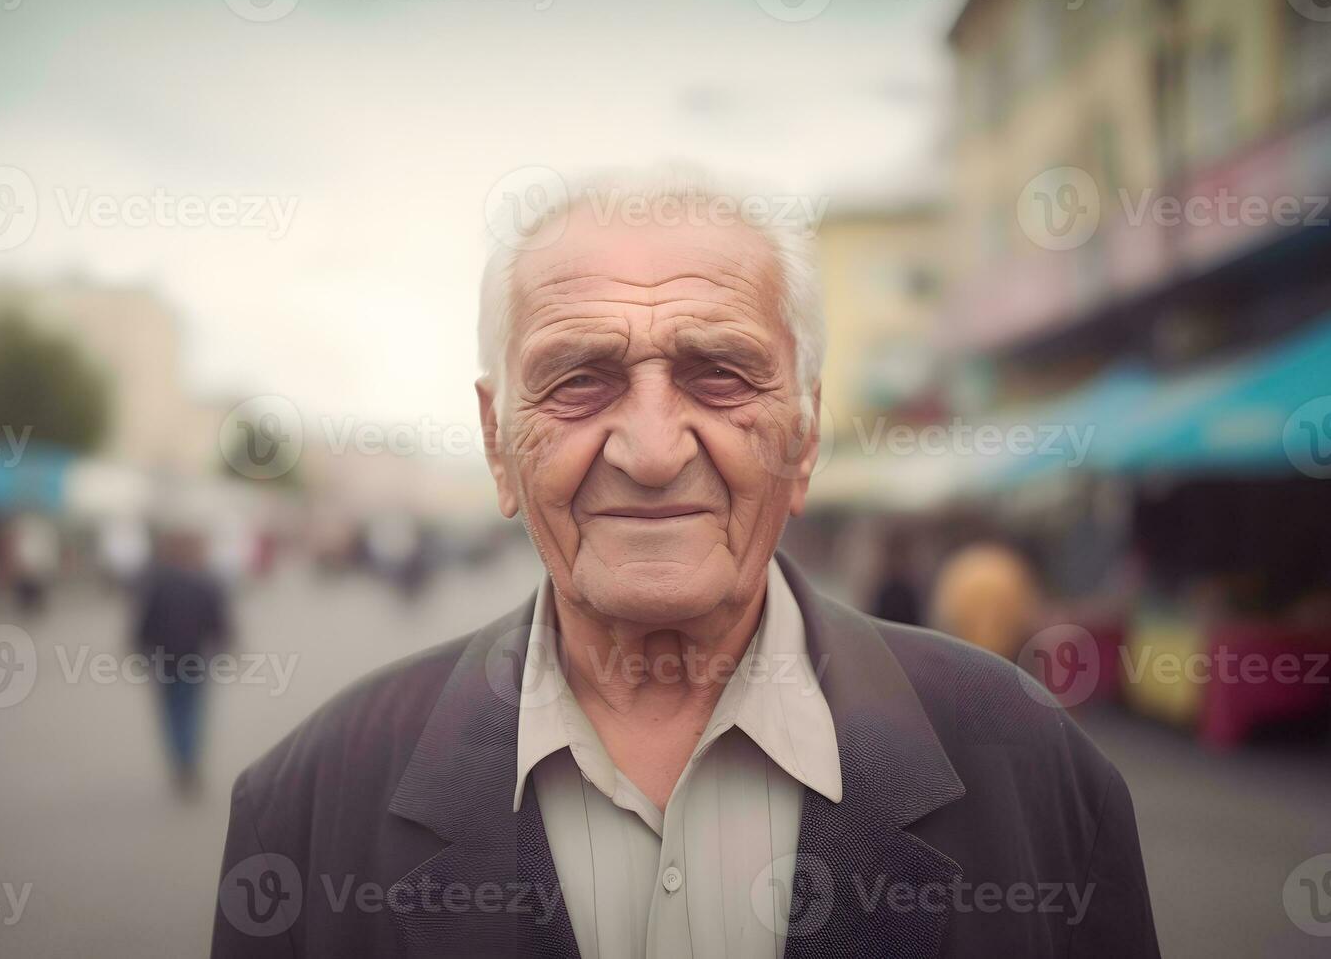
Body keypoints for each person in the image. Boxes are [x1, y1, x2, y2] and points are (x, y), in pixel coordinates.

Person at [211, 169, 1159, 957]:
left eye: (721, 373)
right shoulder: (308, 802)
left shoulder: (1035, 768)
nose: (654, 449)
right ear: (499, 448)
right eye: (580, 380)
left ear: (807, 430)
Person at [135, 529, 231, 798]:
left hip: (165, 660)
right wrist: (225, 646)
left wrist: (140, 650)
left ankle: (181, 761)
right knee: (191, 714)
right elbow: (219, 623)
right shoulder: (206, 582)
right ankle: (188, 762)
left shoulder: (157, 583)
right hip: (194, 660)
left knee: (172, 715)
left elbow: (144, 623)